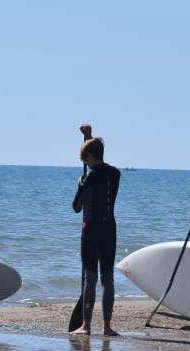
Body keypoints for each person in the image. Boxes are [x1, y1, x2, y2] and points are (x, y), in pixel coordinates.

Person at [71, 126, 121, 336]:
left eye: (85, 159)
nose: (84, 163)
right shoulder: (115, 173)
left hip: (91, 230)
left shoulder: (88, 178)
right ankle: (108, 327)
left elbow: (76, 207)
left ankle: (87, 326)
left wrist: (79, 184)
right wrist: (88, 139)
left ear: (90, 156)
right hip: (109, 229)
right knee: (107, 278)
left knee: (90, 278)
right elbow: (99, 162)